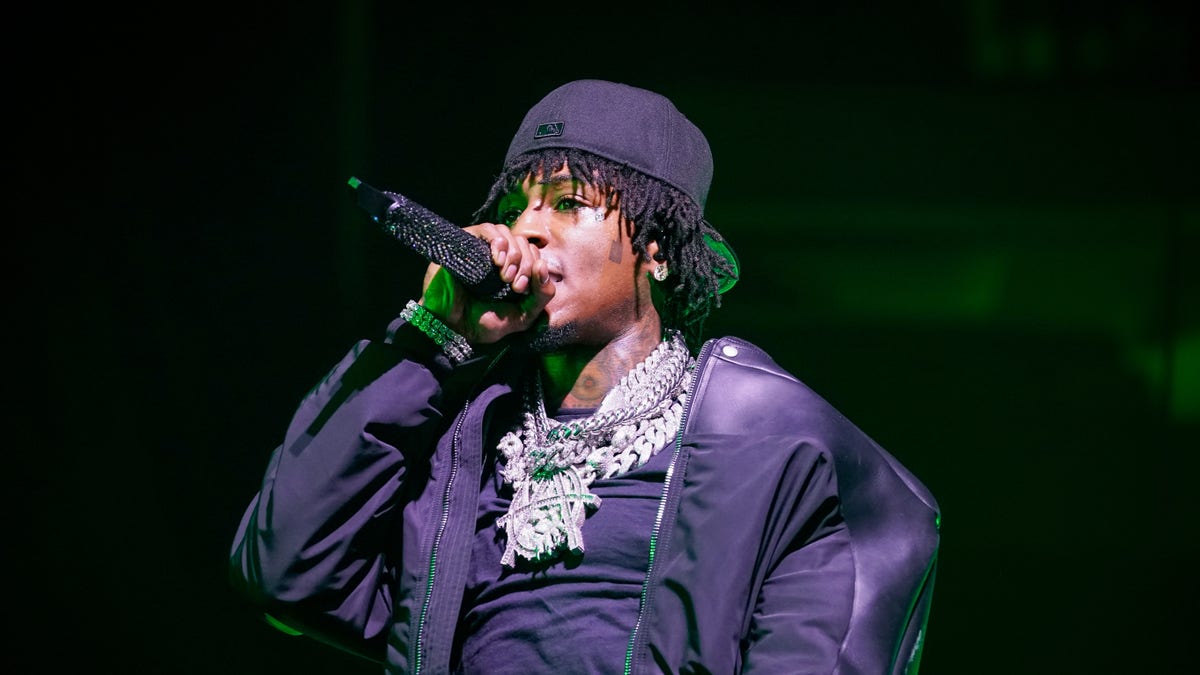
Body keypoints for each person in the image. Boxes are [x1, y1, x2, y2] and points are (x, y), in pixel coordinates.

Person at [230, 79, 941, 674]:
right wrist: (433, 338)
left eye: (568, 203)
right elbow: (287, 568)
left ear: (658, 250)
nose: (527, 231)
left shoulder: (771, 451)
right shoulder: (458, 448)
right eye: (514, 210)